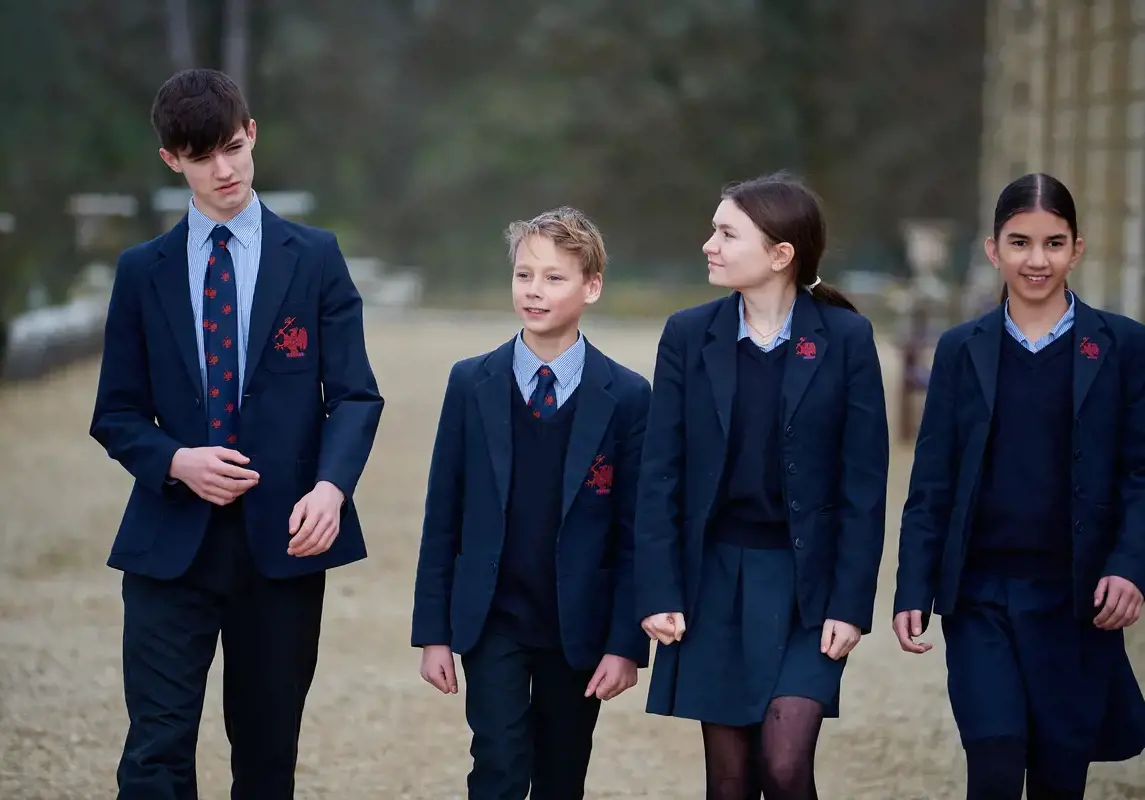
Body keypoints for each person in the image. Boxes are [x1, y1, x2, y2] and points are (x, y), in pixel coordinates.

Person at [89, 68, 383, 799]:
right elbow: (116, 413)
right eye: (200, 155)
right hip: (167, 549)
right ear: (171, 160)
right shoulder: (140, 272)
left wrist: (330, 488)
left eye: (231, 147)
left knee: (264, 759)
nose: (223, 169)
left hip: (282, 545)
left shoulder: (314, 258)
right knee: (153, 757)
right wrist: (176, 460)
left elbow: (354, 395)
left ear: (252, 135)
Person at [635, 172, 890, 799]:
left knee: (783, 763)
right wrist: (659, 588)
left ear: (781, 254)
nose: (708, 245)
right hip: (712, 582)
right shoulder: (689, 336)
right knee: (729, 781)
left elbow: (865, 485)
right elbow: (659, 474)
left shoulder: (847, 340)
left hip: (808, 589)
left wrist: (850, 605)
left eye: (726, 232)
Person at [893, 172, 1145, 799]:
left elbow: (1141, 472)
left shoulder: (1123, 346)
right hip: (980, 597)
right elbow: (933, 480)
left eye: (1054, 243)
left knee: (1060, 776)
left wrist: (1131, 565)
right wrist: (912, 588)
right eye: (1021, 242)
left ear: (1077, 249)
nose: (1037, 259)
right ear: (993, 249)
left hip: (1077, 600)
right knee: (996, 760)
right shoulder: (959, 351)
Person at [410, 206, 651, 800]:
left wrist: (625, 645)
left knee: (562, 774)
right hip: (492, 620)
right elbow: (444, 515)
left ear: (592, 287)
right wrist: (432, 632)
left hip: (579, 628)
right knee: (497, 764)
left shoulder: (626, 396)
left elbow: (634, 534)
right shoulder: (471, 382)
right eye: (524, 275)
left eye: (554, 277)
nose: (534, 291)